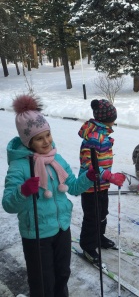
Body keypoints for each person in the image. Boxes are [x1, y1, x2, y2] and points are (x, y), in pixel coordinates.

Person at [2, 94, 97, 297]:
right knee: (43, 282)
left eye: (48, 135)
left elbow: (72, 187)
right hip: (36, 234)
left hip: (62, 228)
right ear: (28, 141)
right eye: (39, 138)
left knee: (62, 274)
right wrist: (23, 191)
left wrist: (88, 177)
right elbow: (8, 204)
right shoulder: (19, 166)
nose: (46, 141)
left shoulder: (56, 159)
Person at [78, 99, 126, 263]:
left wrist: (109, 177)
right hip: (90, 186)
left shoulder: (103, 134)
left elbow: (102, 161)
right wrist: (110, 176)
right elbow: (88, 164)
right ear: (108, 119)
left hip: (102, 185)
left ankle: (99, 237)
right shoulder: (93, 138)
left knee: (102, 213)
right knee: (92, 216)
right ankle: (88, 246)